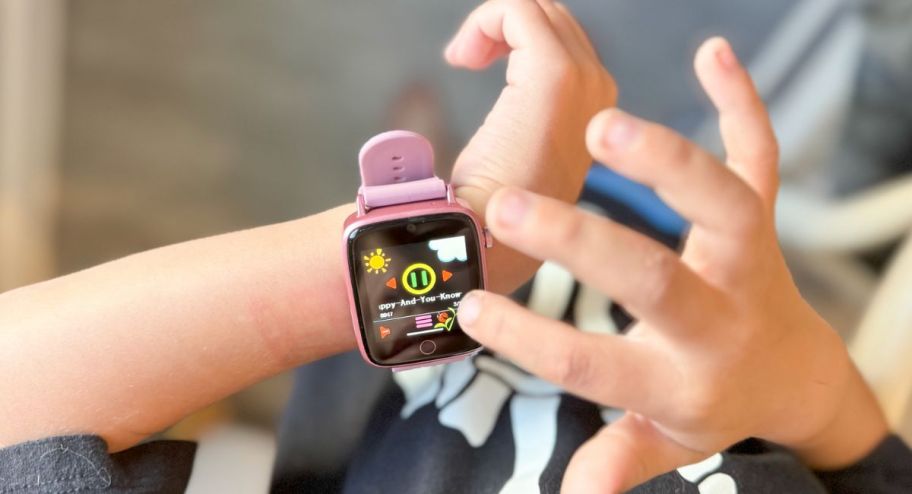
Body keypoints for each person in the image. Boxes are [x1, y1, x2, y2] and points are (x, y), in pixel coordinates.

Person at [0, 1, 909, 493]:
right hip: (726, 295)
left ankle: (406, 165)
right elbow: (869, 464)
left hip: (446, 286)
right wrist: (796, 378)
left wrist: (454, 243)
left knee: (420, 153)